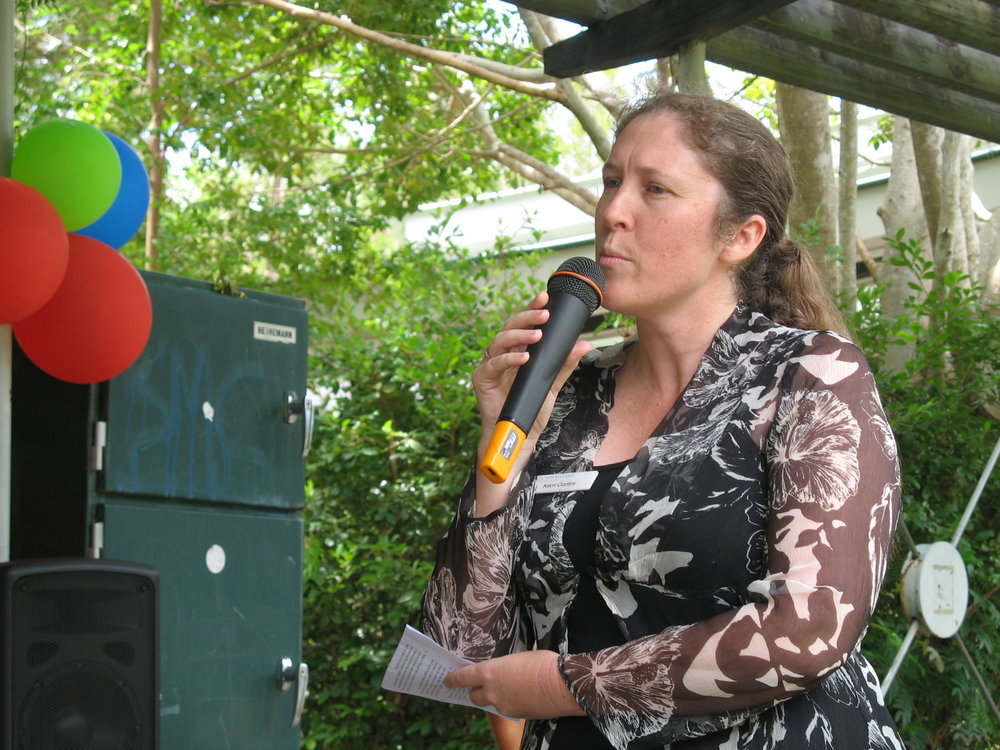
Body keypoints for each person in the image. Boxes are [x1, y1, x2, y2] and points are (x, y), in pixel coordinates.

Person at [421, 91, 903, 750]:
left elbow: (808, 630)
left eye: (656, 190)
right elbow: (458, 648)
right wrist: (497, 447)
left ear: (741, 235)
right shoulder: (566, 396)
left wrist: (568, 685)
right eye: (612, 182)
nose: (613, 212)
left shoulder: (810, 375)